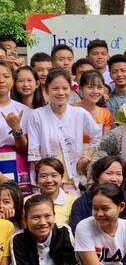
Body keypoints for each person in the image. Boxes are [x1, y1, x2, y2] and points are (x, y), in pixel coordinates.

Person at [27, 68, 101, 192]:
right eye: (55, 89)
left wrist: (87, 157)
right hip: (47, 183)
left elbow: (97, 135)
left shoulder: (80, 113)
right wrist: (50, 177)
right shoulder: (37, 115)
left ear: (71, 90)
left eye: (65, 88)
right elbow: (35, 153)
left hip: (73, 180)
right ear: (46, 90)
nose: (61, 92)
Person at [70, 156, 126, 236]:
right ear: (97, 176)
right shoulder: (81, 203)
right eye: (109, 173)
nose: (114, 179)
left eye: (119, 174)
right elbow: (77, 234)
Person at [0, 61, 31, 194]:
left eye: (6, 76)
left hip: (19, 168)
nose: (1, 80)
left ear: (12, 81)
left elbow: (27, 149)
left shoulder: (24, 111)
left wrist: (17, 130)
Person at [27, 158, 77, 226]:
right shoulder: (26, 202)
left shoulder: (73, 202)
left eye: (54, 175)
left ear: (62, 178)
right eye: (43, 176)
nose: (49, 180)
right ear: (36, 179)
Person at [73, 70, 113, 141]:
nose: (95, 91)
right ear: (81, 88)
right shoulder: (70, 110)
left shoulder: (105, 114)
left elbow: (104, 142)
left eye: (100, 87)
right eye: (90, 87)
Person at [106, 54, 126, 118]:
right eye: (114, 72)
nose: (119, 74)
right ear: (110, 75)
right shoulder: (106, 99)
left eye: (123, 71)